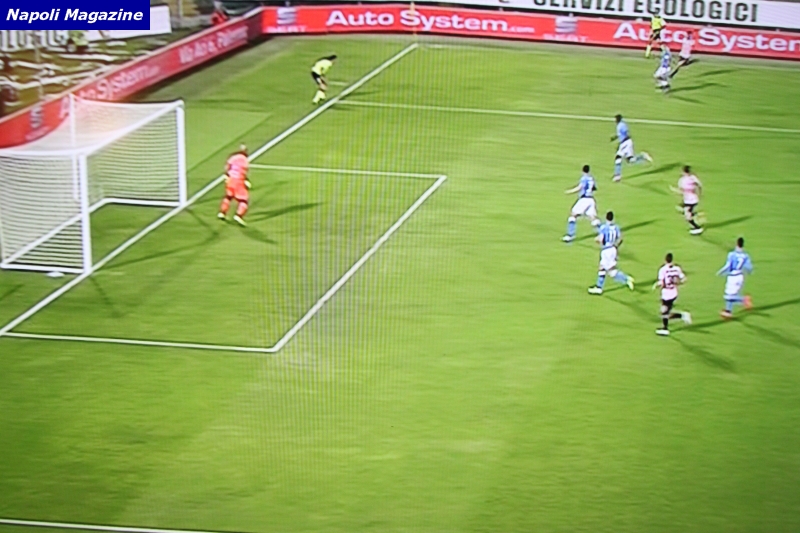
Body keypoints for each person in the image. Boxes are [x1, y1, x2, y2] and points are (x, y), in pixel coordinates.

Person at [588, 211, 635, 295]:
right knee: (602, 267)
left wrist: (597, 240)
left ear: (606, 218)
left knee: (611, 271)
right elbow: (620, 239)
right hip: (613, 249)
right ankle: (599, 287)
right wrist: (616, 246)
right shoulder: (616, 227)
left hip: (606, 250)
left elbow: (601, 239)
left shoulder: (604, 227)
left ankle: (626, 279)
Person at [653, 253, 691, 336]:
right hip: (674, 293)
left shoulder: (663, 270)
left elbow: (661, 283)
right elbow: (684, 279)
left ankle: (681, 316)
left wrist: (656, 285)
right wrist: (678, 284)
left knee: (664, 313)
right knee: (665, 312)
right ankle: (666, 327)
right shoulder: (677, 268)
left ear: (665, 260)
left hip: (666, 294)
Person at [717, 237, 754, 319]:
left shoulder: (732, 254)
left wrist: (721, 272)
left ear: (736, 244)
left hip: (733, 276)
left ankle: (743, 300)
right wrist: (749, 271)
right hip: (740, 276)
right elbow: (749, 268)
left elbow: (728, 266)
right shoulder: (745, 256)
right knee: (730, 294)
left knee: (728, 296)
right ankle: (728, 311)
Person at [562, 164, 600, 242]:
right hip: (591, 199)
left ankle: (570, 235)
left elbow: (580, 187)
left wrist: (570, 191)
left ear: (582, 171)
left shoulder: (584, 178)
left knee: (573, 214)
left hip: (584, 199)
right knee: (593, 217)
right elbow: (594, 188)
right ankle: (602, 233)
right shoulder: (591, 178)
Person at [611, 114, 652, 182]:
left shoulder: (621, 125)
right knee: (630, 160)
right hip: (625, 143)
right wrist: (615, 138)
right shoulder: (620, 125)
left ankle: (617, 176)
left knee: (618, 158)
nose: (615, 120)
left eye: (616, 119)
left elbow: (625, 133)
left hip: (626, 143)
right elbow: (621, 135)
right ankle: (642, 157)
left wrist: (620, 144)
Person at [218, 144, 251, 226]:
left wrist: (227, 175)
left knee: (228, 196)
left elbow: (227, 166)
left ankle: (222, 212)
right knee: (243, 200)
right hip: (238, 181)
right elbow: (243, 172)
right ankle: (238, 216)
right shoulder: (245, 160)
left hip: (230, 179)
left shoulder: (233, 157)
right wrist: (245, 181)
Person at [671, 165, 703, 235]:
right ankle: (693, 216)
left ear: (683, 172)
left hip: (690, 200)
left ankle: (697, 227)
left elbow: (681, 191)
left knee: (687, 215)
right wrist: (699, 194)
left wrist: (675, 190)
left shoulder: (682, 180)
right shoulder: (693, 178)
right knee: (686, 212)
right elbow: (699, 186)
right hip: (693, 199)